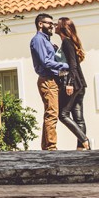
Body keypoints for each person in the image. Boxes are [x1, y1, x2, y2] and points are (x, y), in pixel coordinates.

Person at [30, 13, 70, 150]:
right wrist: (65, 66)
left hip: (51, 80)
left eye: (53, 24)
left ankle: (46, 147)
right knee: (52, 114)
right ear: (40, 24)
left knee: (49, 113)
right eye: (49, 23)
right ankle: (52, 147)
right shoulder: (38, 40)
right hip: (47, 80)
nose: (52, 26)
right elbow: (45, 62)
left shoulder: (46, 41)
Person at [56, 17, 91, 150]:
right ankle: (81, 147)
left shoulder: (66, 42)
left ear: (63, 27)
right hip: (81, 84)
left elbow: (73, 65)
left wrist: (69, 83)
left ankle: (84, 139)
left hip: (74, 83)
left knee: (63, 115)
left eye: (57, 24)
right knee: (79, 118)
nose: (54, 25)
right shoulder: (68, 43)